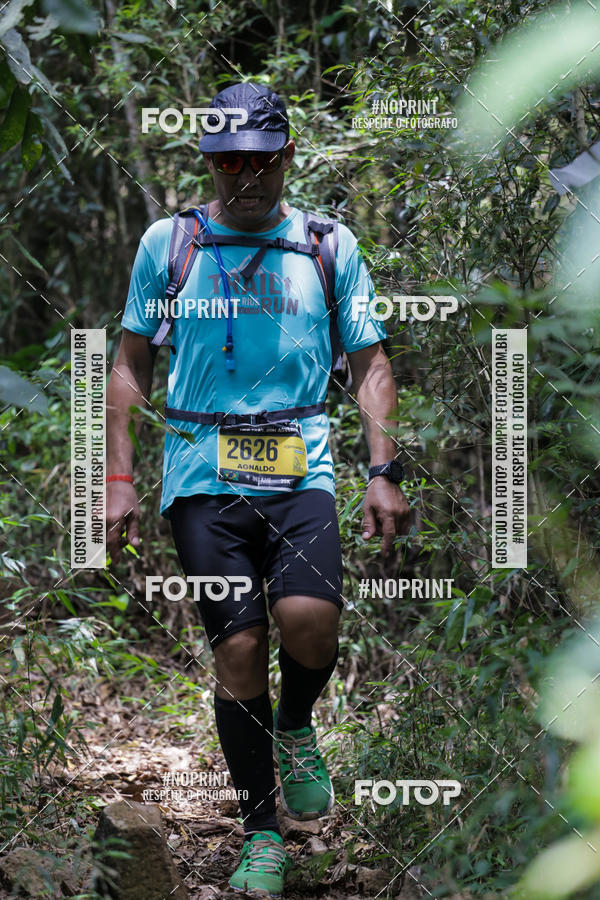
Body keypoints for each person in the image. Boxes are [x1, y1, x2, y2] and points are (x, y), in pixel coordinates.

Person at [106, 81, 410, 898]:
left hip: (300, 467)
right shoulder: (172, 243)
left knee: (310, 624)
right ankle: (262, 834)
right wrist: (116, 479)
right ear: (208, 160)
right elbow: (129, 364)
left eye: (260, 160)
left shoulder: (327, 245)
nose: (244, 175)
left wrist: (383, 470)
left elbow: (371, 362)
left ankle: (295, 723)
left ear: (286, 157)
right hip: (202, 476)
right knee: (238, 648)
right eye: (228, 161)